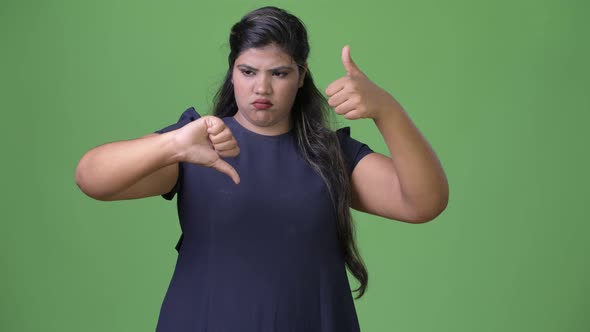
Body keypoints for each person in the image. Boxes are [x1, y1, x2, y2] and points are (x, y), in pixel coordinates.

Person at [75, 6, 448, 332]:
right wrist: (172, 145)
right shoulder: (199, 143)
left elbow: (423, 202)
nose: (262, 88)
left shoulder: (330, 155)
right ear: (232, 72)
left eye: (280, 74)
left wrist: (386, 109)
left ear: (302, 77)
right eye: (248, 71)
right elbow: (91, 178)